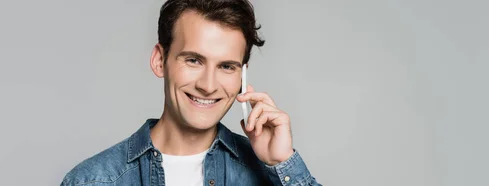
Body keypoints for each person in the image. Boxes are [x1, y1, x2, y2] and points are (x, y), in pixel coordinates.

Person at [60, 0, 321, 185]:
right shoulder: (92, 181)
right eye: (194, 60)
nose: (208, 85)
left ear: (242, 75)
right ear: (160, 60)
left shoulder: (269, 173)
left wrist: (282, 163)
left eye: (226, 66)